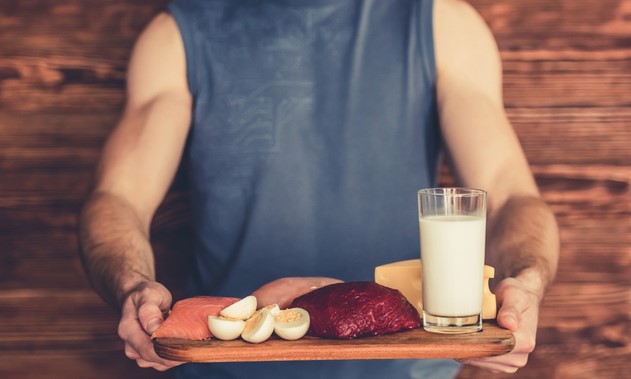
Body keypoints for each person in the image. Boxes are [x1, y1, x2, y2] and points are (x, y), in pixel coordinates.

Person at [78, 0, 559, 377]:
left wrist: (527, 282)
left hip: (411, 373)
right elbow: (120, 197)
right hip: (225, 371)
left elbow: (509, 193)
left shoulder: (445, 26)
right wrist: (132, 286)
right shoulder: (176, 36)